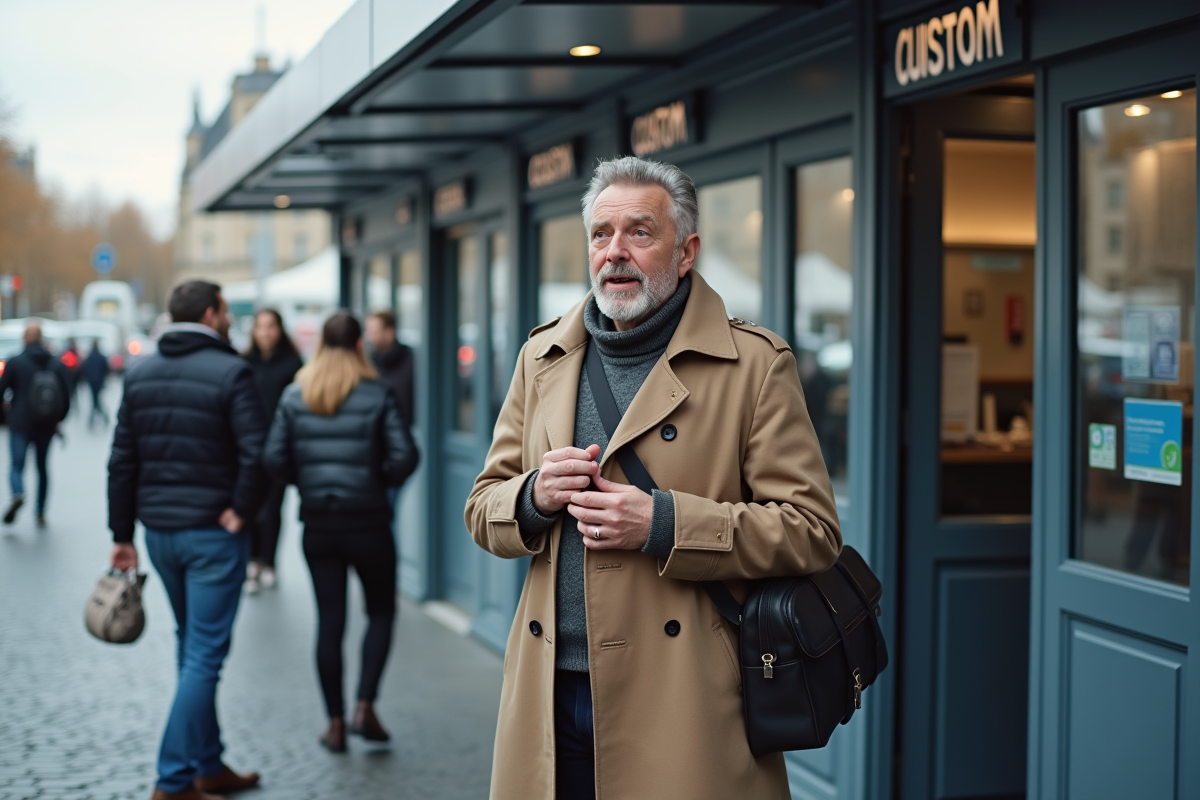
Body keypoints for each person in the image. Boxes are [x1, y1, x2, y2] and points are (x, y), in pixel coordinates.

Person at [464, 156, 842, 799]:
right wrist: (532, 496)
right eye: (601, 234)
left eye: (640, 232)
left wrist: (663, 523)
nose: (615, 251)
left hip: (684, 698)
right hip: (549, 694)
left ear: (686, 251)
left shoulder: (754, 364)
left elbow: (812, 532)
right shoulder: (541, 356)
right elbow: (482, 508)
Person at [108, 280, 268, 800]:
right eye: (224, 310)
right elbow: (258, 452)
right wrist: (241, 511)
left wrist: (122, 534)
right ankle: (174, 781)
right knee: (203, 655)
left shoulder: (140, 371)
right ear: (210, 314)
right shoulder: (231, 371)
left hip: (160, 535)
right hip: (212, 536)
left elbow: (122, 460)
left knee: (191, 646)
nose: (229, 319)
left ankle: (208, 764)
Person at [263, 311, 418, 754]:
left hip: (319, 526)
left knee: (329, 622)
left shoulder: (296, 394)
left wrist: (306, 482)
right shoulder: (377, 392)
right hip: (369, 523)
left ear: (319, 346)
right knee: (380, 612)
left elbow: (273, 458)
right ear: (357, 346)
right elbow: (405, 456)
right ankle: (364, 706)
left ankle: (333, 723)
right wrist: (377, 481)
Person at [241, 308, 304, 593]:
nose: (265, 333)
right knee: (249, 504)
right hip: (248, 447)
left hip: (279, 448)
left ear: (280, 329)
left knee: (272, 508)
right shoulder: (244, 362)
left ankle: (269, 562)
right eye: (260, 327)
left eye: (271, 326)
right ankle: (252, 561)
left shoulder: (293, 364)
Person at [0, 321, 71, 527]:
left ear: (24, 338)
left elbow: (1, 390)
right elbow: (67, 396)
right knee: (42, 467)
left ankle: (18, 493)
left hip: (20, 423)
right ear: (41, 339)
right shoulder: (55, 363)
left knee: (17, 466)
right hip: (46, 425)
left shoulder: (15, 361)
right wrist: (58, 419)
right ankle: (40, 511)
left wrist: (8, 411)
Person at [81, 339, 111, 428]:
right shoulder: (101, 357)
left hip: (92, 382)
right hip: (99, 382)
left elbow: (85, 369)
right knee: (97, 401)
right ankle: (103, 418)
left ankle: (92, 420)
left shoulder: (89, 357)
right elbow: (106, 369)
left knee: (95, 401)